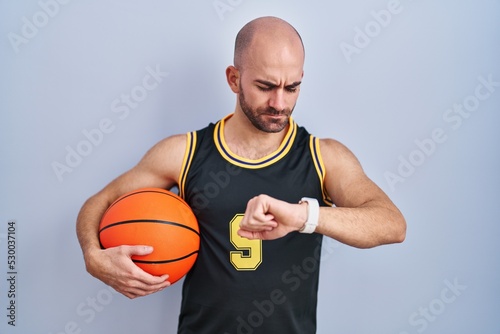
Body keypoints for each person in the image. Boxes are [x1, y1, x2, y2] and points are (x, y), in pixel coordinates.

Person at [76, 16, 406, 333]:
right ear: (234, 78)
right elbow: (100, 202)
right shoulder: (184, 152)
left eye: (292, 87)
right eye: (265, 86)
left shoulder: (323, 157)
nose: (280, 102)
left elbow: (392, 224)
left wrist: (304, 216)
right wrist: (94, 256)